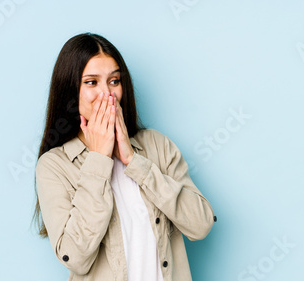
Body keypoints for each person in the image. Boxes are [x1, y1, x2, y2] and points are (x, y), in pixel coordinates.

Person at [32, 33, 216, 281]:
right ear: (70, 91)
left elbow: (201, 225)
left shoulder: (157, 145)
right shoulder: (54, 166)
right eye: (91, 82)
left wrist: (134, 161)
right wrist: (98, 158)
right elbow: (74, 258)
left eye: (114, 81)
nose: (107, 94)